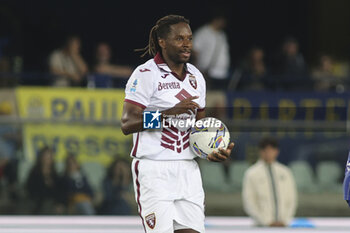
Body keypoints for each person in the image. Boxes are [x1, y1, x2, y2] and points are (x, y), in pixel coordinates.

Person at [121, 15, 234, 233]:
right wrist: (166, 114)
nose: (187, 44)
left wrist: (211, 150)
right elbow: (127, 123)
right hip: (154, 169)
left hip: (188, 171)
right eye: (180, 38)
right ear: (162, 41)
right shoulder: (146, 74)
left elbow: (198, 130)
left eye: (190, 39)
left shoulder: (196, 77)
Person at [242, 137, 297, 227]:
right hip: (261, 226)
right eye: (265, 150)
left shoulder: (285, 172)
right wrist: (266, 221)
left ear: (277, 151)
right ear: (260, 151)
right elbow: (249, 202)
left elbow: (292, 199)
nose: (268, 153)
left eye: (271, 150)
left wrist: (285, 220)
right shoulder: (252, 173)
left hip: (283, 225)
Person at [192, 11, 230, 90]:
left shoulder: (222, 34)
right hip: (208, 74)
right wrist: (196, 71)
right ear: (216, 20)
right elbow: (195, 51)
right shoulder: (203, 32)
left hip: (222, 74)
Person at [26, 146, 64, 214]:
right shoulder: (35, 173)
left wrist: (59, 203)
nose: (47, 159)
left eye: (49, 156)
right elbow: (30, 189)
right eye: (46, 156)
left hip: (53, 202)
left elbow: (59, 191)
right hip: (38, 201)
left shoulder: (55, 174)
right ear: (41, 157)